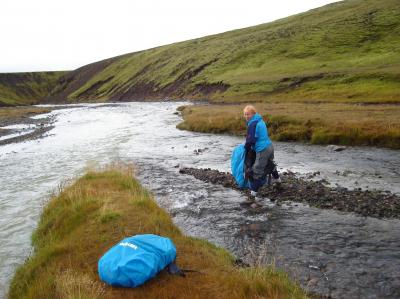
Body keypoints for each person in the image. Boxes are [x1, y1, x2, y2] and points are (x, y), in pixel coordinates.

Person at [243, 105, 281, 199]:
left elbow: (251, 140)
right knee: (270, 163)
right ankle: (278, 181)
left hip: (262, 149)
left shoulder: (253, 124)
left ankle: (252, 196)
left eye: (248, 114)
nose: (247, 116)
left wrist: (246, 149)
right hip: (270, 146)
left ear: (253, 113)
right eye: (245, 114)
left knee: (256, 171)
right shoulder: (260, 120)